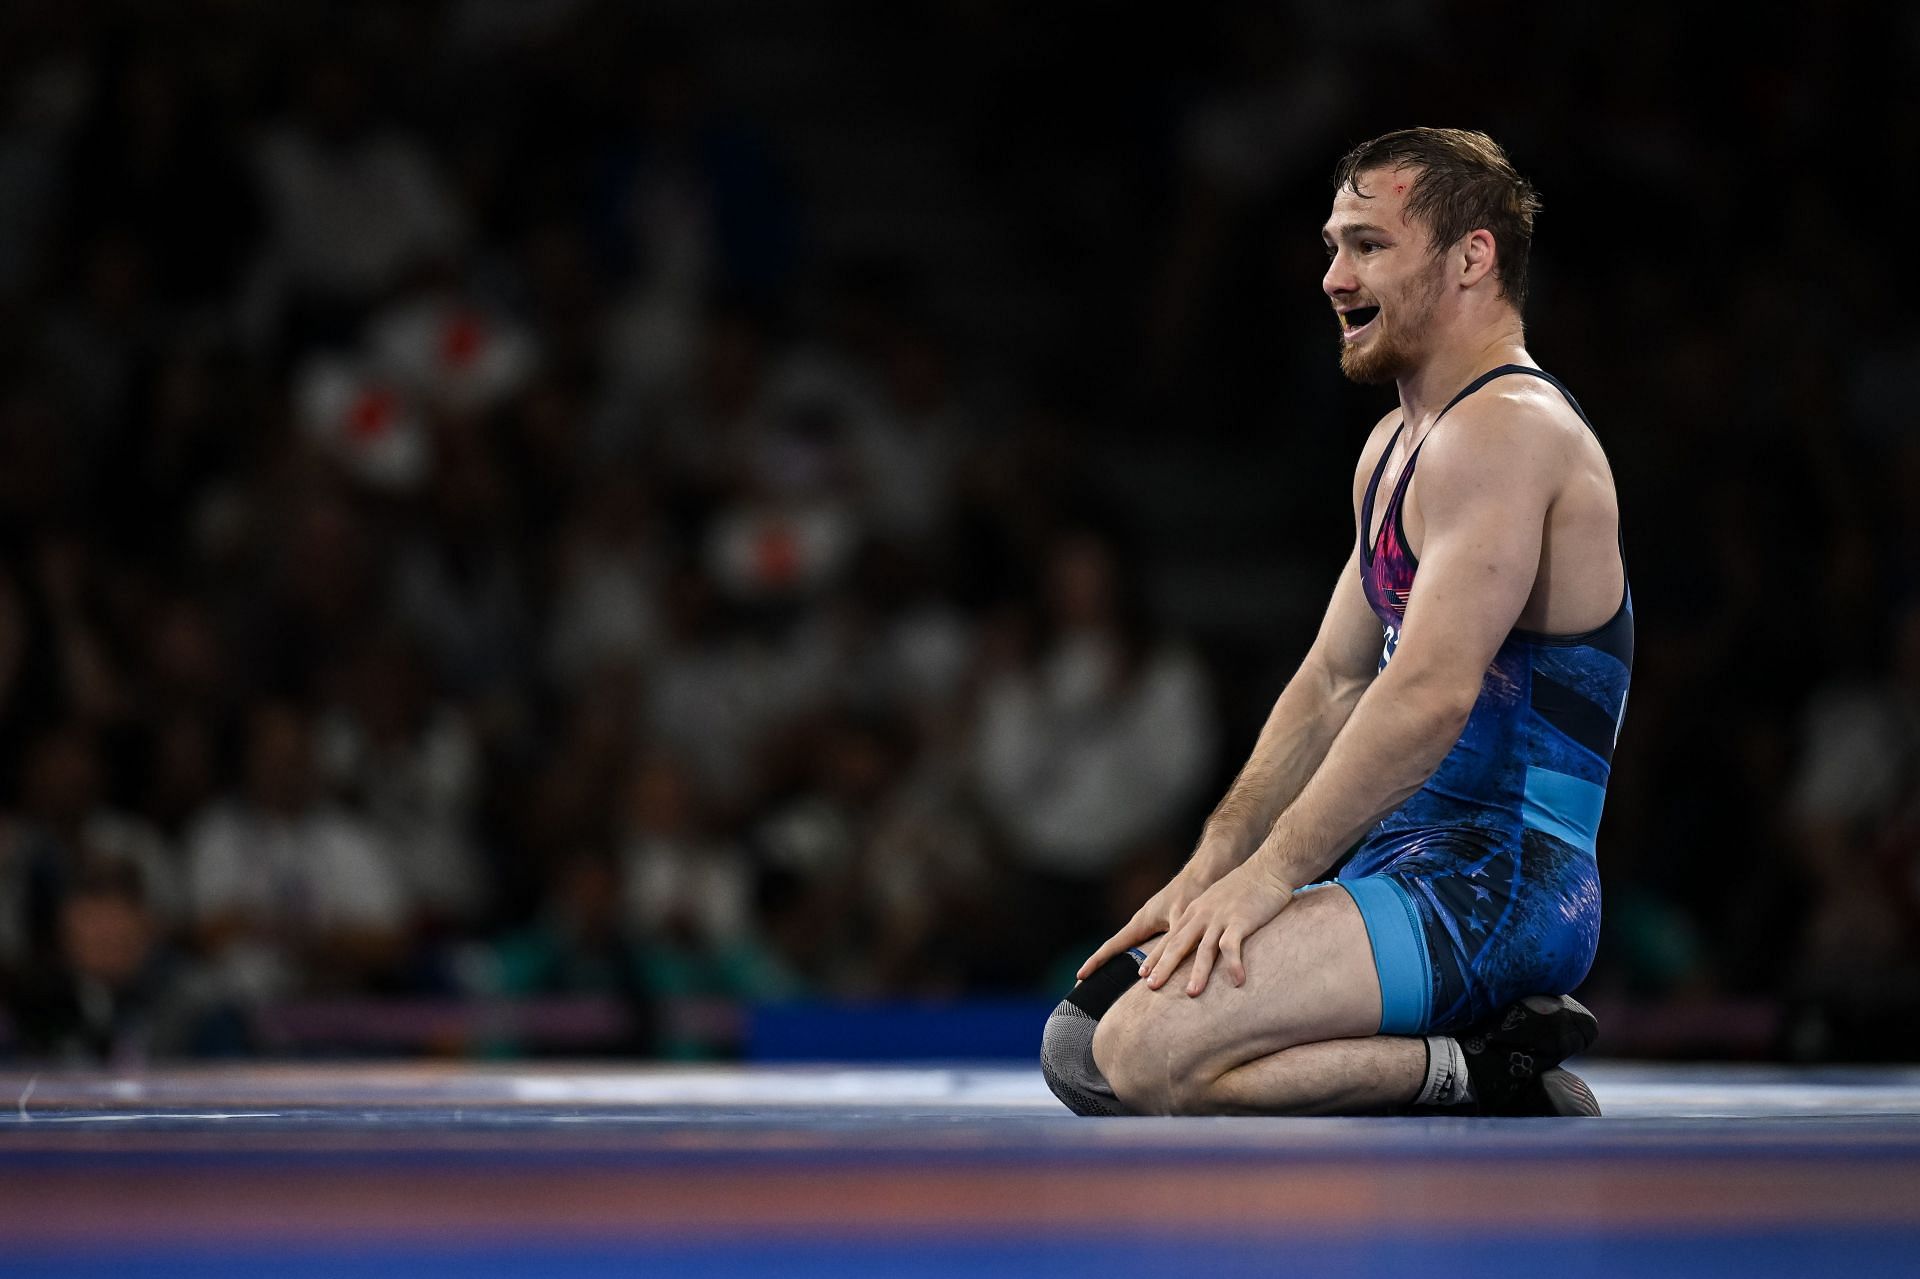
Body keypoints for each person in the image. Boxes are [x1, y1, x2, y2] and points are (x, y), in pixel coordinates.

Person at [1041, 128, 1631, 1117]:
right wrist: (1211, 868)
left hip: (1503, 883)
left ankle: (1481, 1068)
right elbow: (1331, 681)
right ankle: (1471, 1052)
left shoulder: (1511, 431)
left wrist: (1276, 874)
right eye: (1331, 246)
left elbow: (1433, 692)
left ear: (1472, 257)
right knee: (1083, 1037)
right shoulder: (1396, 446)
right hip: (1404, 865)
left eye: (1367, 245)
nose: (1332, 277)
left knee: (1143, 1055)